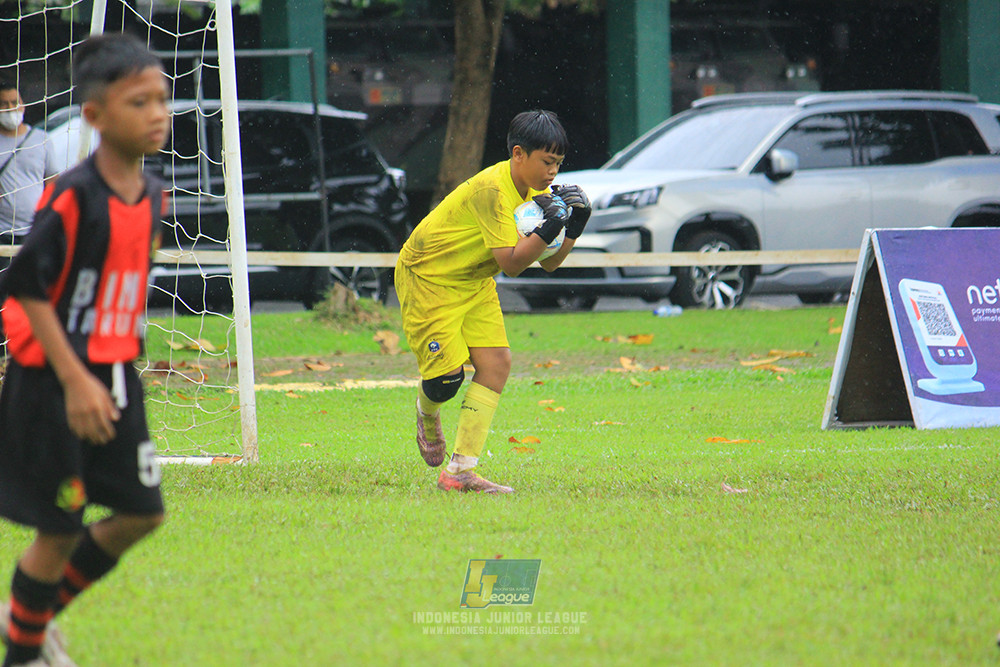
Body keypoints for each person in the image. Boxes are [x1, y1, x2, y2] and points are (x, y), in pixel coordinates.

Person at [0, 33, 169, 667]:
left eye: (162, 98)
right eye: (138, 101)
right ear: (95, 116)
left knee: (141, 514)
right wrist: (74, 379)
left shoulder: (153, 196)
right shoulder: (74, 195)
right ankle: (24, 651)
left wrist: (119, 361)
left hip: (117, 375)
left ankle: (26, 617)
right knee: (60, 529)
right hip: (55, 381)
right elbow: (25, 285)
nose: (157, 113)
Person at [395, 109, 591, 494]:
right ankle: (426, 412)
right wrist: (550, 224)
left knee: (496, 364)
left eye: (559, 164)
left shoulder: (537, 194)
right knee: (446, 380)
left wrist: (573, 227)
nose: (553, 173)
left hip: (473, 280)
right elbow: (513, 264)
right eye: (547, 162)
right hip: (429, 277)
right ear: (519, 154)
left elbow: (549, 263)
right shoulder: (492, 191)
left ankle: (459, 472)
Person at [0, 79, 60, 241]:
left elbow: (52, 183)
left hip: (35, 230)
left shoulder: (41, 139)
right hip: (3, 232)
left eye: (14, 102)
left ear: (23, 104)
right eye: (4, 104)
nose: (10, 109)